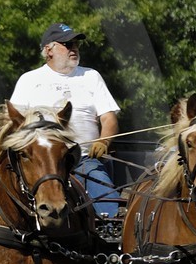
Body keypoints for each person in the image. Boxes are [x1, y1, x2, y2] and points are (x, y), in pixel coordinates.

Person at [8, 22, 122, 218]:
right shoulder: (29, 80)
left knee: (107, 198)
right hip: (41, 164)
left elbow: (109, 118)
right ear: (48, 50)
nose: (74, 49)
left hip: (84, 159)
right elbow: (13, 124)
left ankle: (112, 229)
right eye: (67, 45)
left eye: (75, 45)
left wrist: (104, 141)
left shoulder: (91, 76)